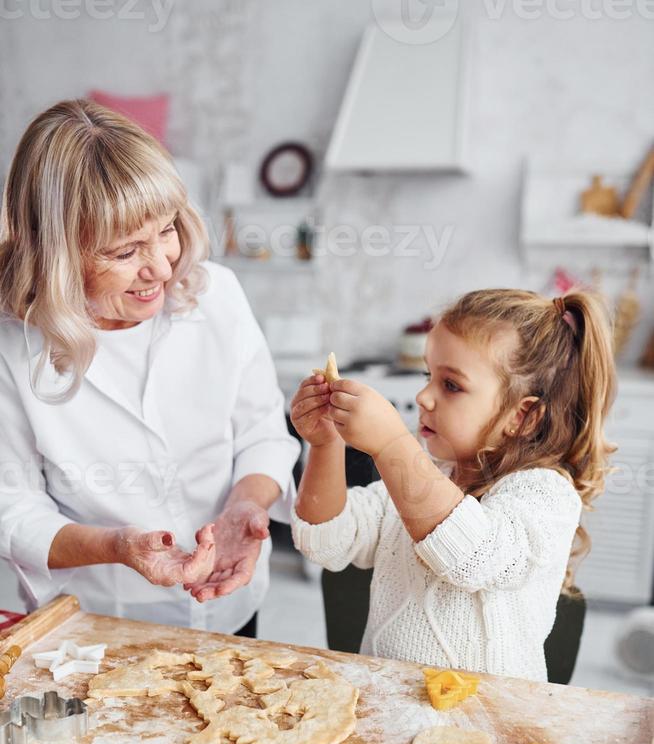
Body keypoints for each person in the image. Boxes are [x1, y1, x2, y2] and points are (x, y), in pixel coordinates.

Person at [0, 99, 299, 636]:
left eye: (166, 230)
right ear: (56, 253)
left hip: (231, 602)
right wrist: (117, 547)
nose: (161, 266)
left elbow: (263, 434)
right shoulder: (11, 343)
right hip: (99, 623)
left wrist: (244, 509)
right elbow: (10, 507)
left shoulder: (217, 296)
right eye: (124, 251)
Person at [290, 289, 616, 681]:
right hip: (389, 705)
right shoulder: (429, 474)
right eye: (429, 376)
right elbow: (326, 539)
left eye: (452, 385)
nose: (423, 396)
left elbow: (472, 555)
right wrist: (326, 444)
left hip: (492, 717)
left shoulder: (546, 494)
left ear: (523, 415)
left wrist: (393, 444)